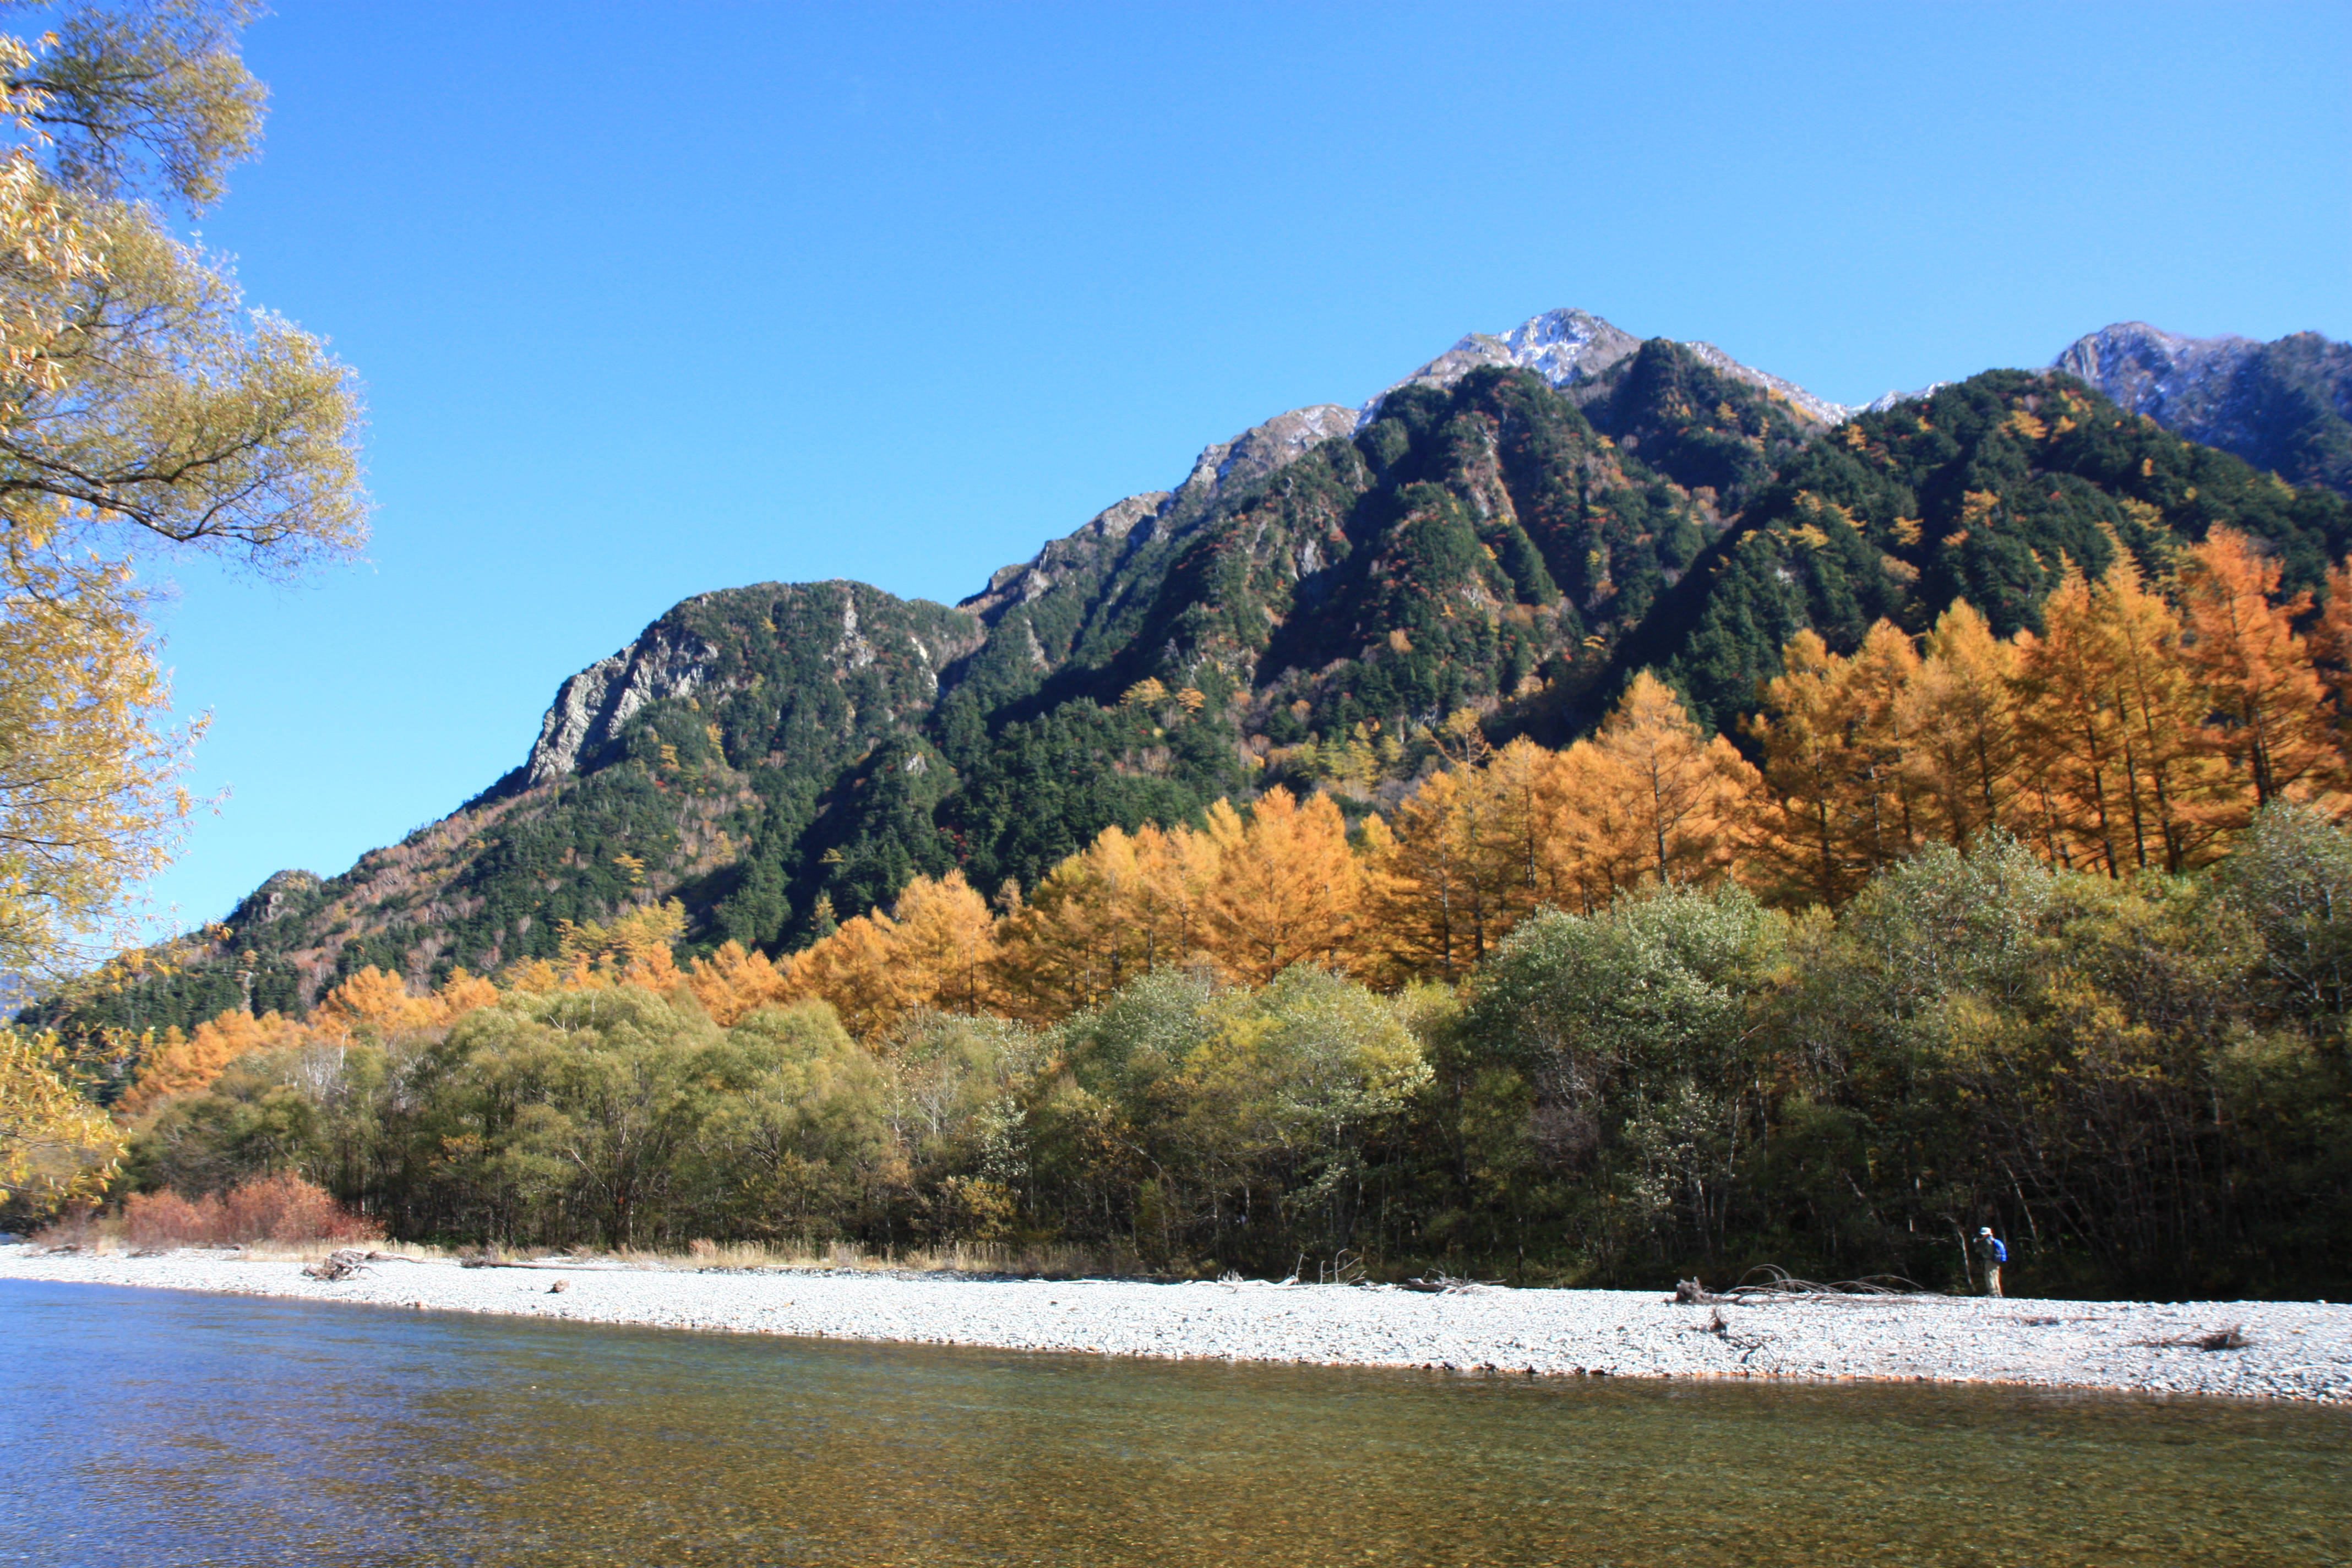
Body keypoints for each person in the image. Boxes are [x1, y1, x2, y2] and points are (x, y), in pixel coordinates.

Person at [1976, 1227, 2007, 1297]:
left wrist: (1979, 1247)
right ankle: (1998, 1292)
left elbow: (1988, 1253)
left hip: (1990, 1261)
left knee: (1989, 1276)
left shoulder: (1987, 1241)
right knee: (1995, 1276)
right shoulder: (1993, 1240)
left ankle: (1992, 1293)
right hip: (1997, 1260)